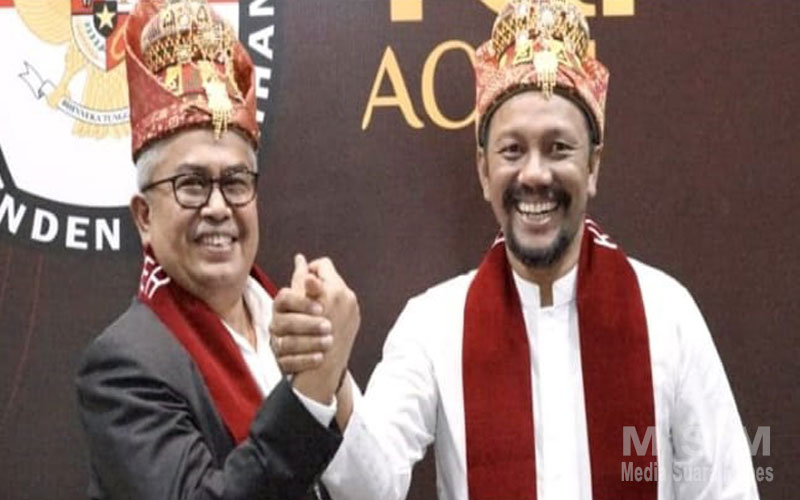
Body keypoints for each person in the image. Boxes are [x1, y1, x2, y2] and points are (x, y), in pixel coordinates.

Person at [269, 1, 760, 499]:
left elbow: (727, 488)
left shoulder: (666, 314)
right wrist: (328, 373)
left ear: (593, 167)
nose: (535, 174)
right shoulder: (434, 324)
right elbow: (368, 488)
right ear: (485, 172)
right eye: (512, 150)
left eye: (558, 148)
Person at [75, 1, 358, 499]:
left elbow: (375, 488)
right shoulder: (123, 368)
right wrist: (311, 393)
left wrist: (334, 375)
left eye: (235, 182)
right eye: (191, 184)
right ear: (144, 217)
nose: (218, 207)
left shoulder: (288, 320)